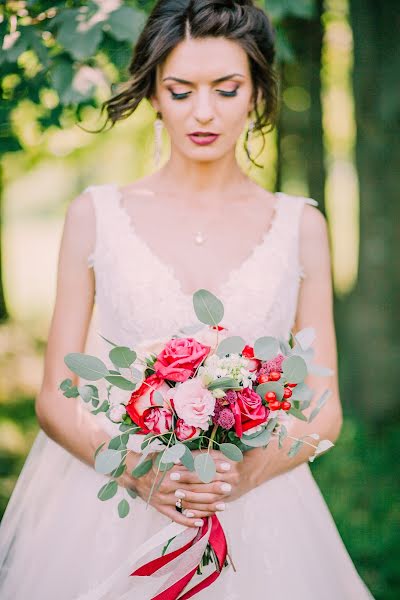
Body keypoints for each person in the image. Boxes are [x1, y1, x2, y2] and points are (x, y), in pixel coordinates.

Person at [0, 1, 374, 598]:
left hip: (258, 507)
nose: (204, 113)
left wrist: (240, 478)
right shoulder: (95, 216)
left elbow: (322, 410)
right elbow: (55, 397)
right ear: (153, 94)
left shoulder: (300, 226)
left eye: (226, 90)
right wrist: (140, 476)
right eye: (180, 91)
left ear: (256, 94)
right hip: (112, 510)